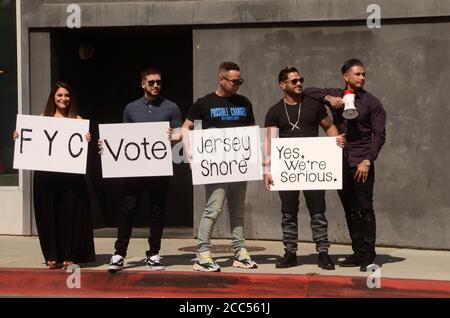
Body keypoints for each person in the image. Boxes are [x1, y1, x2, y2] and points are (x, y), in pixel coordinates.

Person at [303, 59, 386, 271]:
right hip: (340, 160)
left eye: (363, 74)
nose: (362, 78)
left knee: (365, 208)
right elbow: (308, 91)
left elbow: (379, 135)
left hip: (362, 162)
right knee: (349, 208)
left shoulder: (372, 102)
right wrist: (328, 98)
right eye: (357, 74)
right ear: (346, 76)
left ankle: (368, 254)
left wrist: (367, 161)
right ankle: (358, 252)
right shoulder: (337, 94)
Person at [178, 61, 257, 272]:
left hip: (240, 166)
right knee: (213, 209)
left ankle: (240, 252)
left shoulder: (244, 102)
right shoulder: (203, 103)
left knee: (237, 211)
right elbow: (186, 128)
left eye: (240, 81)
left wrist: (256, 157)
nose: (238, 84)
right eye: (234, 81)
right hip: (215, 166)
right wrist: (190, 156)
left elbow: (251, 131)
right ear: (221, 79)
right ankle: (202, 254)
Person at [264, 66, 345, 270]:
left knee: (318, 212)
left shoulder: (313, 105)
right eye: (294, 81)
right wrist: (267, 169)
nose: (299, 83)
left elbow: (328, 127)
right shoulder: (274, 111)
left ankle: (323, 253)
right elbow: (269, 142)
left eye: (301, 79)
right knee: (288, 212)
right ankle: (290, 253)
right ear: (283, 85)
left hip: (313, 168)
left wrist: (336, 143)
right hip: (287, 169)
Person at [106, 67, 182, 273]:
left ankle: (154, 254)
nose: (156, 85)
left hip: (159, 168)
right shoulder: (131, 108)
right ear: (143, 84)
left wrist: (173, 136)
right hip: (135, 170)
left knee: (157, 211)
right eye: (151, 82)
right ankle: (119, 254)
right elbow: (124, 138)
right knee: (128, 209)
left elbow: (180, 133)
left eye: (158, 82)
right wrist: (107, 145)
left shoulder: (171, 107)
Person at [13, 82, 95, 269]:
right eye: (59, 95)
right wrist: (19, 137)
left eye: (67, 95)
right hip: (46, 176)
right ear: (53, 98)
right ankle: (52, 255)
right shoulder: (42, 119)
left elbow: (80, 151)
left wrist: (86, 140)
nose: (63, 99)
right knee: (48, 214)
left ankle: (68, 255)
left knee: (69, 215)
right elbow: (32, 143)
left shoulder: (77, 120)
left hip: (70, 177)